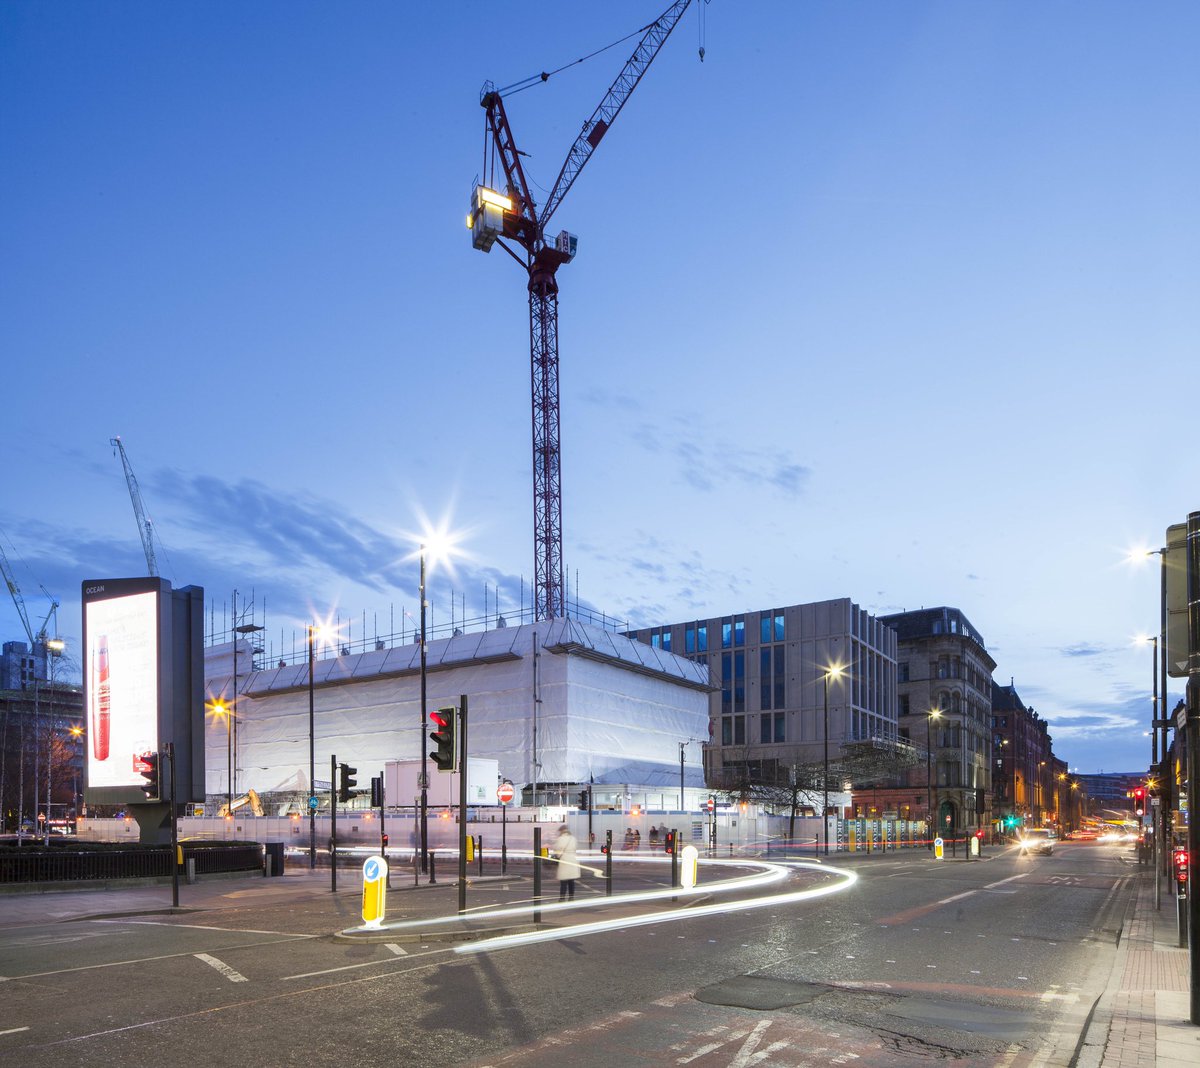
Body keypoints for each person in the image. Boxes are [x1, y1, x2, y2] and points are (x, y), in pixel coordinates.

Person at [552, 824, 580, 901]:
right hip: (573, 859)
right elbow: (575, 848)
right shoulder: (573, 838)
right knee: (571, 881)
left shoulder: (560, 839)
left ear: (561, 831)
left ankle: (562, 898)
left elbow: (557, 850)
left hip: (564, 860)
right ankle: (571, 897)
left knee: (563, 881)